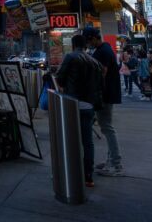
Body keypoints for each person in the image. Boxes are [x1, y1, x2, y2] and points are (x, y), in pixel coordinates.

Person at [53, 34, 104, 187]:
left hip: (72, 104)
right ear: (86, 45)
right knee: (87, 142)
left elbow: (60, 78)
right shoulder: (94, 61)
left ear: (73, 45)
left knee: (69, 140)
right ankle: (88, 175)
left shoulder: (70, 57)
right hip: (89, 106)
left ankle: (70, 172)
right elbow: (100, 84)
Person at [83, 26, 124, 177]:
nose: (88, 45)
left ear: (94, 38)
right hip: (105, 94)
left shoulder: (103, 52)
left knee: (107, 127)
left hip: (105, 95)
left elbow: (102, 74)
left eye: (88, 41)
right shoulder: (103, 50)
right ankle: (110, 161)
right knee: (106, 127)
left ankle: (116, 164)